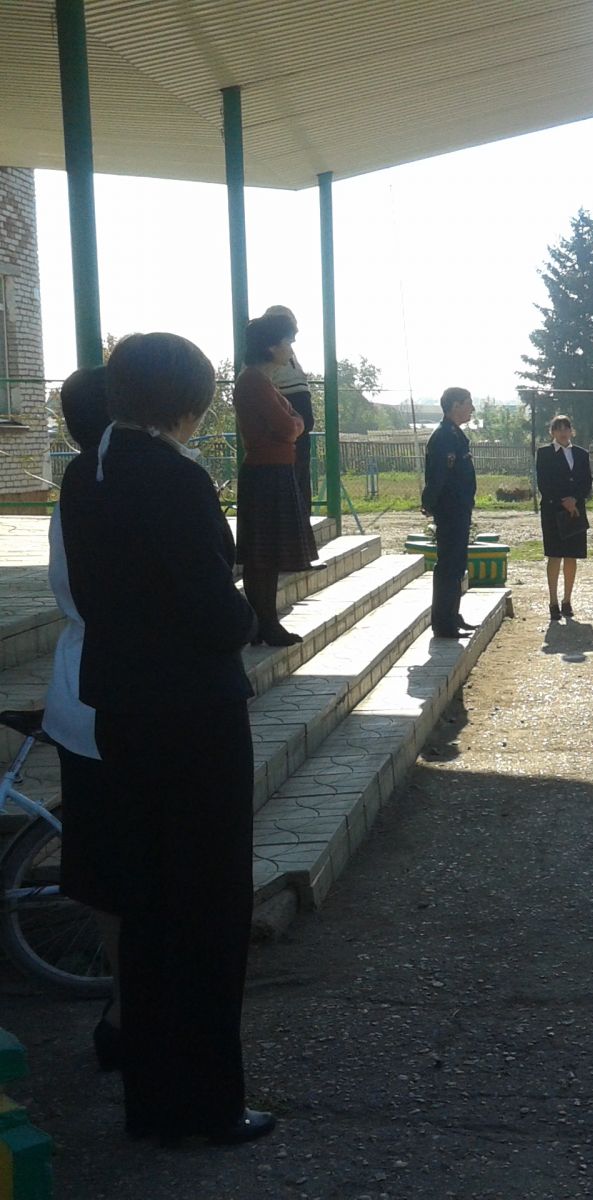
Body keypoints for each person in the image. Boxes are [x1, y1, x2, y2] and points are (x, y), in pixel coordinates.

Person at [58, 331, 270, 1144]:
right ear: (189, 401)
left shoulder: (86, 471)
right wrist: (245, 617)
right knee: (207, 909)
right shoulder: (177, 477)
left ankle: (152, 1102)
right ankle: (207, 1104)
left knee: (146, 911)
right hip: (193, 717)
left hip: (120, 709)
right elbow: (214, 610)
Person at [46, 367, 120, 1071]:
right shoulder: (117, 480)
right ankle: (131, 1007)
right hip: (115, 697)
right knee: (125, 865)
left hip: (78, 693)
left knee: (102, 865)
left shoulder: (78, 478)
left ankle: (125, 1005)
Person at [233, 312, 316, 646]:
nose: (290, 349)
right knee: (262, 556)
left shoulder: (264, 382)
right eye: (287, 341)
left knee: (267, 556)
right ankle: (265, 623)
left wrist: (293, 423)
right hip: (265, 474)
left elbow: (295, 421)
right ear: (270, 346)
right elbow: (288, 426)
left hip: (274, 471)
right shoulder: (253, 381)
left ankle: (265, 622)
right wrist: (294, 423)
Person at [423, 388, 479, 637]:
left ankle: (452, 615)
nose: (472, 408)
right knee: (448, 565)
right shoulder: (444, 436)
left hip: (459, 509)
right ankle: (443, 623)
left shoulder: (454, 433)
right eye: (468, 403)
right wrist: (429, 503)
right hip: (450, 509)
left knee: (457, 564)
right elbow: (438, 476)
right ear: (455, 406)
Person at [534, 414, 593, 621]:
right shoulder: (544, 453)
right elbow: (544, 483)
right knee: (554, 555)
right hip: (553, 510)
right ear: (552, 432)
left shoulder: (581, 454)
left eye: (566, 428)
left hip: (575, 511)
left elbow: (586, 482)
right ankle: (553, 602)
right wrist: (562, 501)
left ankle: (567, 600)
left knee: (571, 555)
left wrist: (574, 499)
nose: (563, 432)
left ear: (571, 431)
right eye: (558, 429)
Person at [260, 305, 316, 523]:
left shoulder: (286, 354)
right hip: (289, 421)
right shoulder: (267, 357)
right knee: (292, 476)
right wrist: (296, 421)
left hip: (299, 424)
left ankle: (303, 519)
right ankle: (296, 520)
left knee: (301, 475)